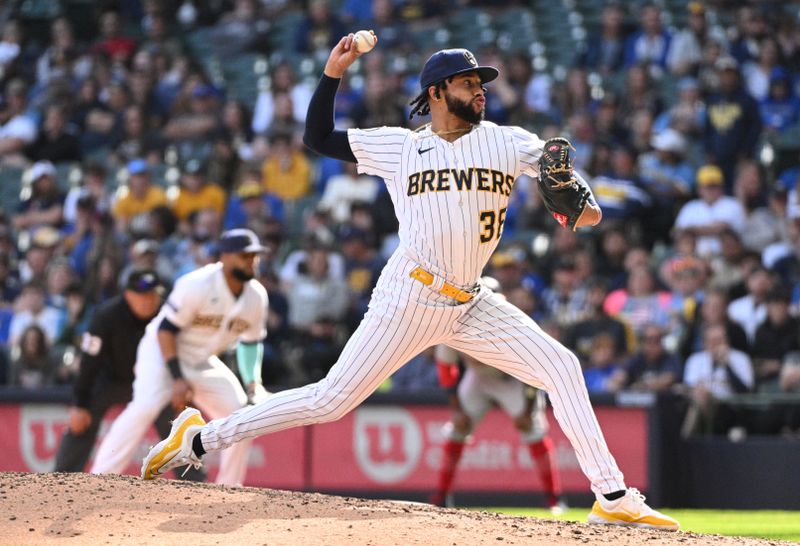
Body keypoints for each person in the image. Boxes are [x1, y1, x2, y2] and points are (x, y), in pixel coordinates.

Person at [142, 35, 678, 530]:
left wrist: (571, 195)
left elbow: (588, 217)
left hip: (471, 300)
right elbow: (317, 137)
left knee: (562, 367)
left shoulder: (508, 142)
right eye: (469, 83)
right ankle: (200, 438)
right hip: (410, 296)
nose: (480, 91)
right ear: (438, 92)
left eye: (481, 83)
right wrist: (332, 72)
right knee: (331, 400)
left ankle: (612, 498)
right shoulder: (400, 147)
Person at [92, 229, 269, 485]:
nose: (252, 262)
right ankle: (100, 477)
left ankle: (230, 486)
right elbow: (166, 330)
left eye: (254, 256)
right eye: (245, 256)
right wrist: (176, 377)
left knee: (240, 415)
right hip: (162, 352)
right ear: (226, 257)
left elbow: (251, 344)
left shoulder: (256, 296)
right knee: (145, 406)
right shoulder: (198, 284)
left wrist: (254, 382)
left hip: (201, 360)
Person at [54, 270, 203, 481]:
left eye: (153, 295)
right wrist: (79, 403)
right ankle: (60, 480)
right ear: (128, 295)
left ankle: (196, 483)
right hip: (112, 379)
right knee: (82, 417)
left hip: (153, 382)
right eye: (142, 296)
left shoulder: (167, 315)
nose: (148, 301)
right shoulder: (106, 315)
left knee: (175, 423)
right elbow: (89, 362)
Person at [431, 343, 565, 514]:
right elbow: (446, 372)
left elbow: (532, 368)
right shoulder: (450, 331)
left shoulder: (498, 326)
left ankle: (554, 499)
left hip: (513, 378)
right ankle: (442, 495)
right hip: (478, 378)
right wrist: (457, 411)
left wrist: (527, 410)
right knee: (457, 430)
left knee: (534, 432)